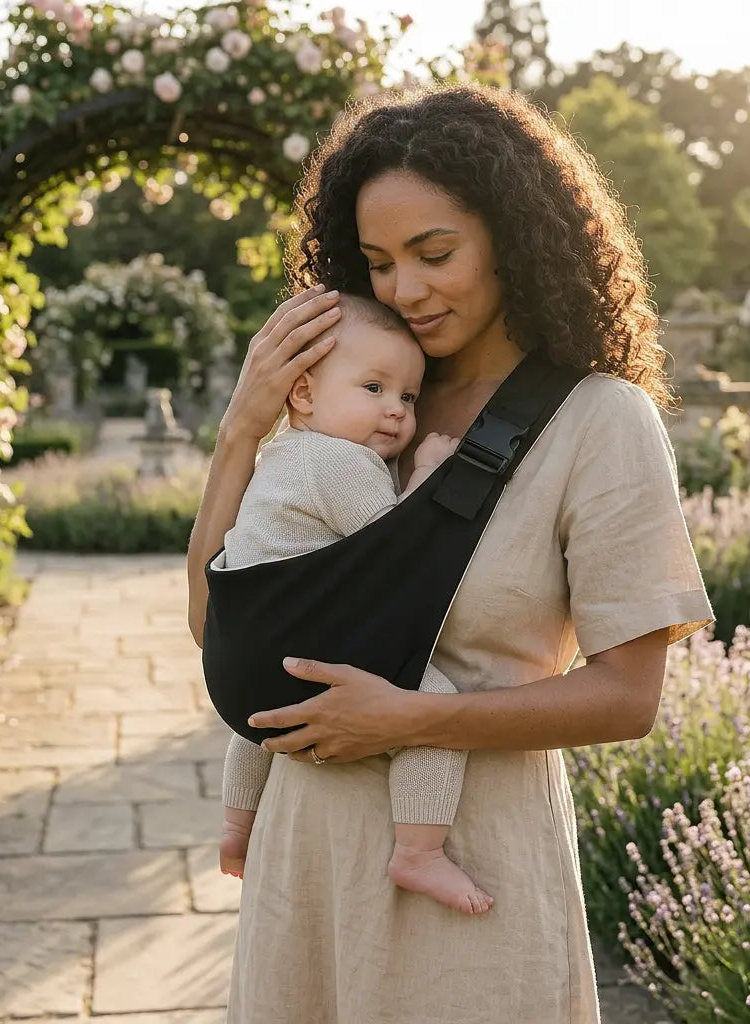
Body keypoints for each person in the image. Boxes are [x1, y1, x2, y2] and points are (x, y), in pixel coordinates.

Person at [186, 83, 714, 1024]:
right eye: (380, 262)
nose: (405, 290)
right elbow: (216, 622)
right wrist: (241, 431)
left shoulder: (598, 421)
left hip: (469, 868)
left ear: (514, 236)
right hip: (302, 866)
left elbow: (628, 697)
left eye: (436, 254)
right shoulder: (367, 406)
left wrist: (407, 722)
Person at [214, 293, 493, 915]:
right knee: (436, 705)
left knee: (259, 725)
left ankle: (236, 829)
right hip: (318, 641)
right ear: (305, 395)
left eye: (409, 397)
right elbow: (394, 546)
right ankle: (418, 851)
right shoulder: (341, 460)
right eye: (374, 388)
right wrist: (428, 474)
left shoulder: (280, 455)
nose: (395, 411)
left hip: (248, 657)